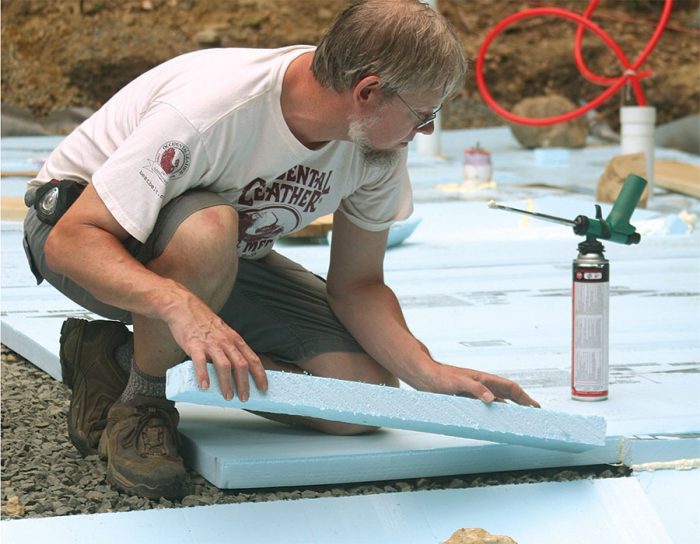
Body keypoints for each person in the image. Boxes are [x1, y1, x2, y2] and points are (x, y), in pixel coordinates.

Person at [23, 0, 540, 500]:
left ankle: (112, 359)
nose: (423, 130)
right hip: (85, 232)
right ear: (368, 91)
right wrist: (178, 306)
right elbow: (73, 241)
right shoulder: (214, 111)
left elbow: (357, 285)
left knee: (358, 397)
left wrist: (428, 372)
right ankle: (144, 403)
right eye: (422, 114)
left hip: (217, 256)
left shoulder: (374, 147)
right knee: (208, 227)